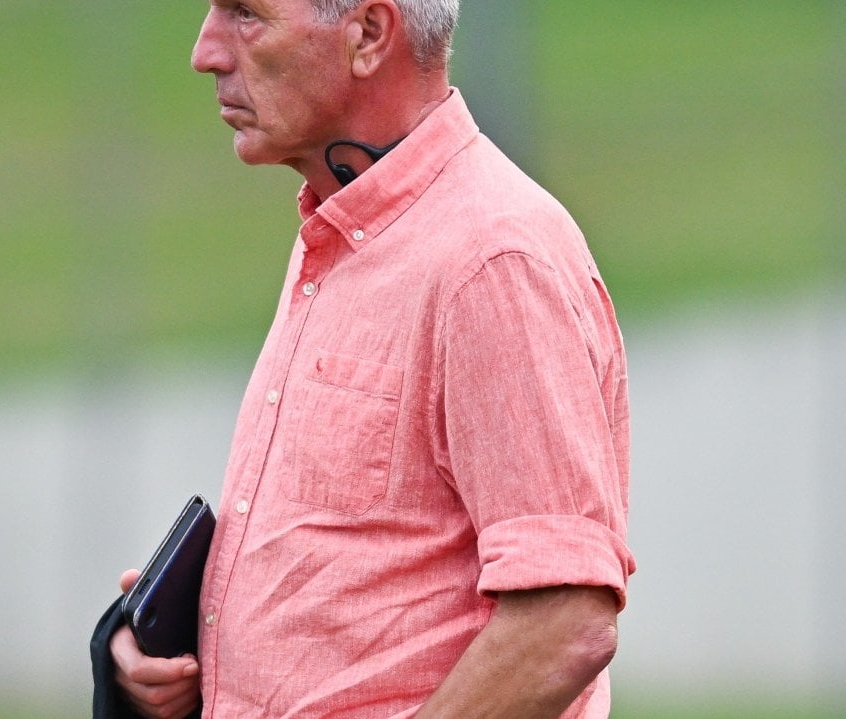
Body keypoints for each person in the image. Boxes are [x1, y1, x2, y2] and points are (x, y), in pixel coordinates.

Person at [110, 1, 634, 716]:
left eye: (246, 14)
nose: (206, 51)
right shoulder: (343, 230)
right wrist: (199, 650)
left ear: (368, 34)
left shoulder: (492, 258)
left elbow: (563, 624)